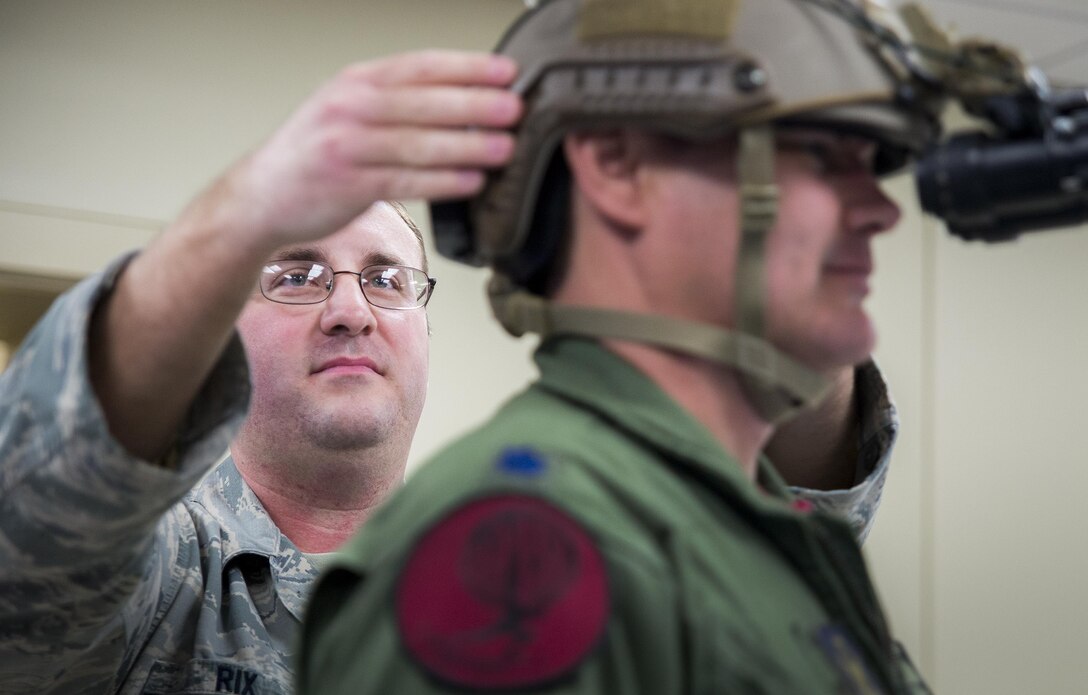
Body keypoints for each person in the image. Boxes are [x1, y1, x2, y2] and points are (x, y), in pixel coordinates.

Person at [1, 26, 892, 695]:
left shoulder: (516, 535)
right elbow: (31, 539)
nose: (351, 309)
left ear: (424, 326)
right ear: (220, 333)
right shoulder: (166, 563)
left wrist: (779, 291)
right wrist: (243, 212)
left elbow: (771, 538)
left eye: (388, 279)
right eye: (298, 274)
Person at [296, 0, 942, 693]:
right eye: (821, 154)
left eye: (871, 164)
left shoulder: (759, 533)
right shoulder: (520, 543)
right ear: (616, 164)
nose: (882, 209)